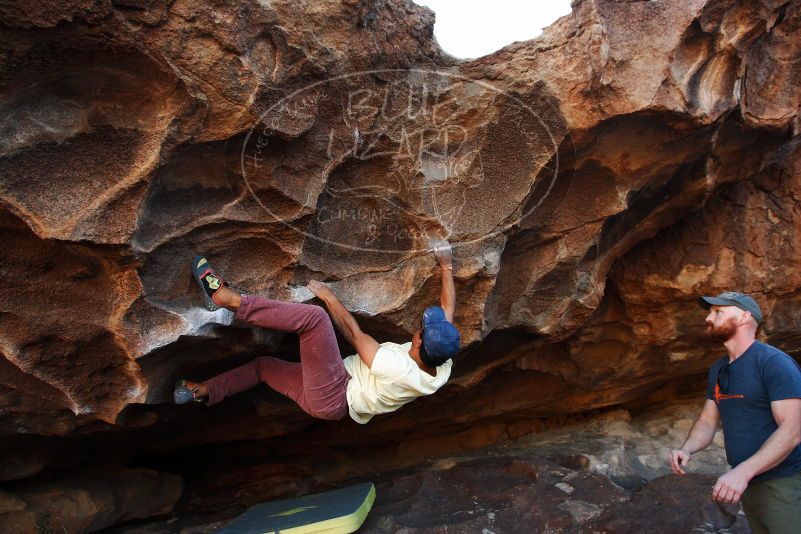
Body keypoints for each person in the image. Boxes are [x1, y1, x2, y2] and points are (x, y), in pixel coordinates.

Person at [174, 241, 460, 424]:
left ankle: (228, 300)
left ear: (419, 340)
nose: (418, 329)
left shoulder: (396, 368)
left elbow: (353, 333)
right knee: (263, 367)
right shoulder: (440, 363)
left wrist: (330, 298)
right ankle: (204, 390)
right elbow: (447, 313)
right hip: (329, 404)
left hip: (335, 391)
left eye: (421, 330)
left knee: (315, 319)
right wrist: (446, 264)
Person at [669, 291, 801, 534]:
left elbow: (792, 431)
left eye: (717, 311)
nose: (709, 318)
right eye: (710, 312)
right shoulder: (719, 369)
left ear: (744, 317)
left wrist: (741, 473)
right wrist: (686, 449)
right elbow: (708, 421)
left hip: (784, 483)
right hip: (749, 484)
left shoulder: (774, 363)